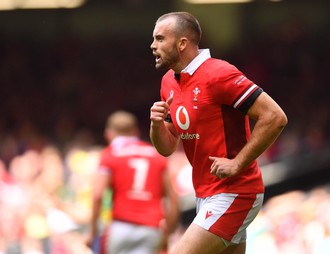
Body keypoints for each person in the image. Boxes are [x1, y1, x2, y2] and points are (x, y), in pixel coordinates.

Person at [149, 11, 288, 254]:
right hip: (205, 193)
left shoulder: (219, 74)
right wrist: (156, 125)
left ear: (182, 43)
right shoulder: (169, 81)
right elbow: (168, 147)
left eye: (160, 39)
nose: (153, 45)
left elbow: (275, 117)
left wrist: (237, 163)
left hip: (236, 191)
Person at [87, 110, 180, 254]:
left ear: (108, 134)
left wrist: (93, 232)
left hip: (120, 227)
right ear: (135, 132)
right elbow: (173, 200)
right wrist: (167, 234)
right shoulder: (157, 155)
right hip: (151, 229)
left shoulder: (109, 155)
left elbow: (98, 195)